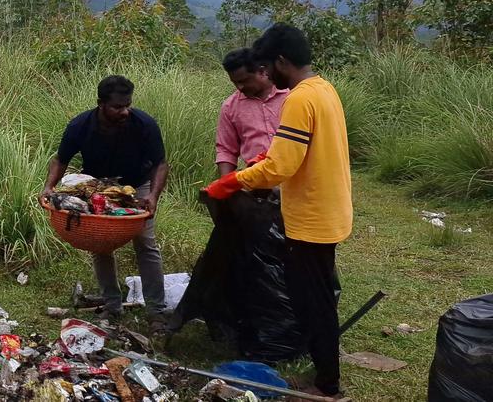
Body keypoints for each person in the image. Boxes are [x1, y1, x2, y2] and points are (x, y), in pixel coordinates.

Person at [204, 24, 353, 398]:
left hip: (310, 217)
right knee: (315, 297)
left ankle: (327, 386)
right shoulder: (325, 89)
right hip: (331, 208)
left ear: (282, 61)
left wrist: (233, 181)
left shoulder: (300, 99)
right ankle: (323, 373)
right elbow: (291, 157)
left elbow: (279, 168)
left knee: (312, 302)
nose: (266, 74)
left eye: (268, 67)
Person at [42, 75, 169, 321]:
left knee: (145, 242)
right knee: (99, 243)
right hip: (96, 187)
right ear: (101, 104)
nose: (125, 111)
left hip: (137, 185)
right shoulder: (80, 126)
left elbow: (161, 164)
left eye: (128, 105)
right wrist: (49, 187)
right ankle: (112, 306)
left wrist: (153, 196)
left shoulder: (144, 124)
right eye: (118, 107)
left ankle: (157, 311)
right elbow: (61, 159)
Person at [216, 47, 288, 176]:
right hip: (257, 184)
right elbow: (226, 150)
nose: (240, 87)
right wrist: (225, 185)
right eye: (235, 83)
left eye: (244, 81)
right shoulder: (230, 107)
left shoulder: (291, 95)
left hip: (295, 183)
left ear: (262, 71)